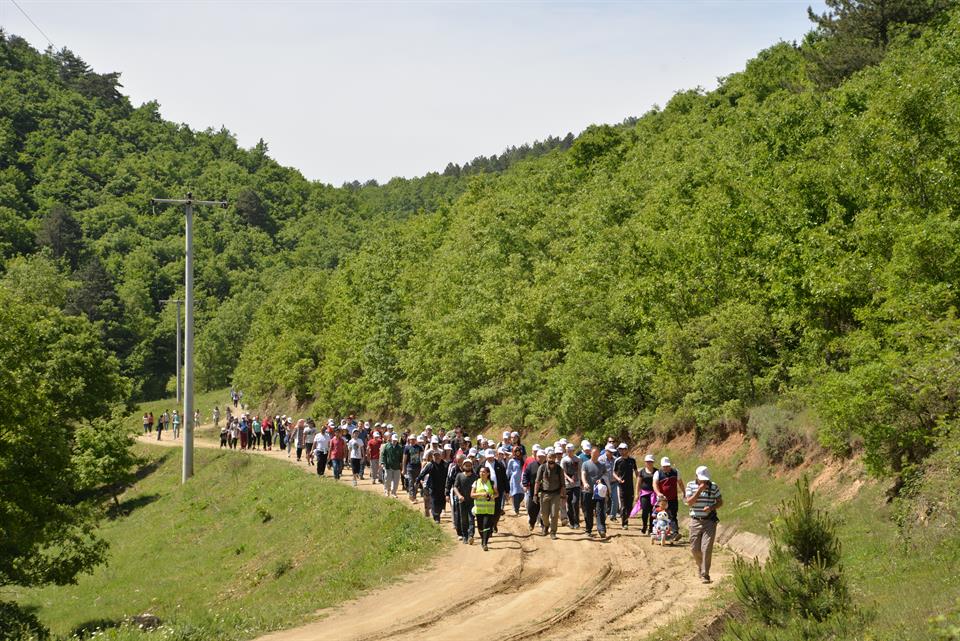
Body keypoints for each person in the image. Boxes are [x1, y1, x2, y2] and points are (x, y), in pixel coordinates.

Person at [685, 465, 722, 583]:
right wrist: (699, 490)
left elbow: (720, 502)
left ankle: (705, 574)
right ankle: (701, 567)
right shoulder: (690, 485)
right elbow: (689, 502)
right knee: (694, 548)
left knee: (706, 548)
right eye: (701, 478)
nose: (704, 481)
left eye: (705, 479)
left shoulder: (714, 486)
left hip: (709, 521)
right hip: (695, 520)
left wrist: (711, 507)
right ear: (696, 477)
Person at [534, 447, 566, 540]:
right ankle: (546, 526)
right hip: (544, 494)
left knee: (554, 514)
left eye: (553, 458)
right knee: (544, 514)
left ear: (555, 458)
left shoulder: (559, 469)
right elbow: (537, 481)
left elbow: (563, 485)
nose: (551, 460)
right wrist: (535, 494)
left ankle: (553, 532)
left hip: (555, 494)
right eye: (549, 458)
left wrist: (563, 497)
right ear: (546, 458)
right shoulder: (542, 468)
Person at [581, 445, 609, 539]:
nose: (595, 455)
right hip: (587, 491)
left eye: (597, 454)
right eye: (594, 454)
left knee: (600, 510)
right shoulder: (585, 464)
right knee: (588, 512)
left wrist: (601, 479)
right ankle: (588, 529)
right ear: (590, 453)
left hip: (599, 492)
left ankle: (601, 529)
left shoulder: (602, 465)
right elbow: (583, 474)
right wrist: (585, 483)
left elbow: (605, 474)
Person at [654, 457, 684, 541]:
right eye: (664, 466)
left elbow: (680, 483)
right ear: (661, 466)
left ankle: (675, 533)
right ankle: (658, 531)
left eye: (667, 466)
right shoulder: (658, 473)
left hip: (673, 498)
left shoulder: (676, 472)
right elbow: (655, 484)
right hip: (662, 499)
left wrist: (684, 492)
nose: (666, 468)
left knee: (673, 515)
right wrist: (658, 493)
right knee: (661, 515)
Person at [418, 450, 449, 523]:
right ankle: (436, 517)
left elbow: (449, 476)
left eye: (438, 455)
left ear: (441, 456)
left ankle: (438, 513)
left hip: (442, 487)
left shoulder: (445, 464)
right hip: (432, 487)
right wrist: (417, 481)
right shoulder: (430, 465)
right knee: (434, 502)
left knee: (441, 502)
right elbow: (423, 473)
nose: (437, 457)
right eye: (435, 456)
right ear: (432, 457)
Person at [472, 465, 497, 551]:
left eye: (484, 472)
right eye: (480, 472)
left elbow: (497, 493)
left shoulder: (492, 483)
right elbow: (471, 495)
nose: (482, 473)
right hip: (479, 509)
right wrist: (481, 494)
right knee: (480, 528)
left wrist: (493, 496)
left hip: (489, 509)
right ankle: (483, 539)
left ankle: (485, 543)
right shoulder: (476, 482)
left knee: (486, 525)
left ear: (488, 474)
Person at [452, 458, 478, 544]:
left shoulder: (475, 477)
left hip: (472, 501)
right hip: (462, 501)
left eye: (469, 465)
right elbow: (455, 487)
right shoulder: (459, 475)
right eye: (466, 465)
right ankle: (465, 536)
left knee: (471, 519)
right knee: (463, 520)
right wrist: (459, 495)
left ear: (472, 466)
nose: (468, 466)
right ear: (463, 466)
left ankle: (471, 535)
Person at [614, 443, 637, 529]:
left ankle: (626, 518)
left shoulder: (632, 460)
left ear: (627, 450)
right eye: (620, 449)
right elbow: (614, 473)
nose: (622, 451)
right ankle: (624, 523)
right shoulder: (618, 460)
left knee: (629, 505)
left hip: (630, 486)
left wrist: (639, 480)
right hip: (621, 486)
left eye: (624, 449)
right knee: (623, 505)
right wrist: (618, 479)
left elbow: (636, 471)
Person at [522, 448, 545, 531]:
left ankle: (544, 526)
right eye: (539, 457)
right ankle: (532, 522)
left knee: (543, 510)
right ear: (536, 457)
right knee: (532, 509)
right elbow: (525, 475)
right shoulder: (531, 465)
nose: (541, 458)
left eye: (543, 457)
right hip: (533, 491)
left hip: (545, 491)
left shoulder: (547, 466)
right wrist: (525, 484)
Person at [561, 442, 581, 529]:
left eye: (570, 451)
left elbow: (580, 470)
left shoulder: (578, 459)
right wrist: (569, 479)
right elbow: (563, 472)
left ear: (573, 451)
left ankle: (577, 522)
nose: (569, 452)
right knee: (569, 503)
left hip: (577, 484)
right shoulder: (564, 460)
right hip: (567, 485)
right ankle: (571, 522)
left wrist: (582, 482)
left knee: (575, 502)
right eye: (567, 451)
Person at [636, 454, 658, 534]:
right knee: (645, 510)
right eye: (648, 461)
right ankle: (644, 525)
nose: (649, 463)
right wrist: (637, 494)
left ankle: (651, 528)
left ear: (653, 462)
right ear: (645, 462)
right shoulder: (642, 471)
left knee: (653, 511)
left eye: (651, 461)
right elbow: (638, 483)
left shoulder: (657, 471)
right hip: (644, 494)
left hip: (654, 494)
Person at [403, 435, 424, 502]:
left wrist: (422, 467)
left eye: (413, 439)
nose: (412, 441)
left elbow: (421, 458)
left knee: (417, 482)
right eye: (411, 439)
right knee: (411, 482)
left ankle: (414, 496)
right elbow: (404, 459)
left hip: (418, 467)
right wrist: (404, 468)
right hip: (410, 467)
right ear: (409, 440)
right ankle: (412, 496)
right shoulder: (407, 448)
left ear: (415, 440)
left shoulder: (419, 447)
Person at [507, 446, 525, 515]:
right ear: (514, 453)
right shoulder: (511, 461)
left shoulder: (522, 460)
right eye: (516, 451)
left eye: (518, 451)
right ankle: (516, 509)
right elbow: (508, 471)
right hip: (514, 480)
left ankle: (516, 505)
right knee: (515, 494)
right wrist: (507, 479)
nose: (517, 453)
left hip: (521, 479)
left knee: (521, 495)